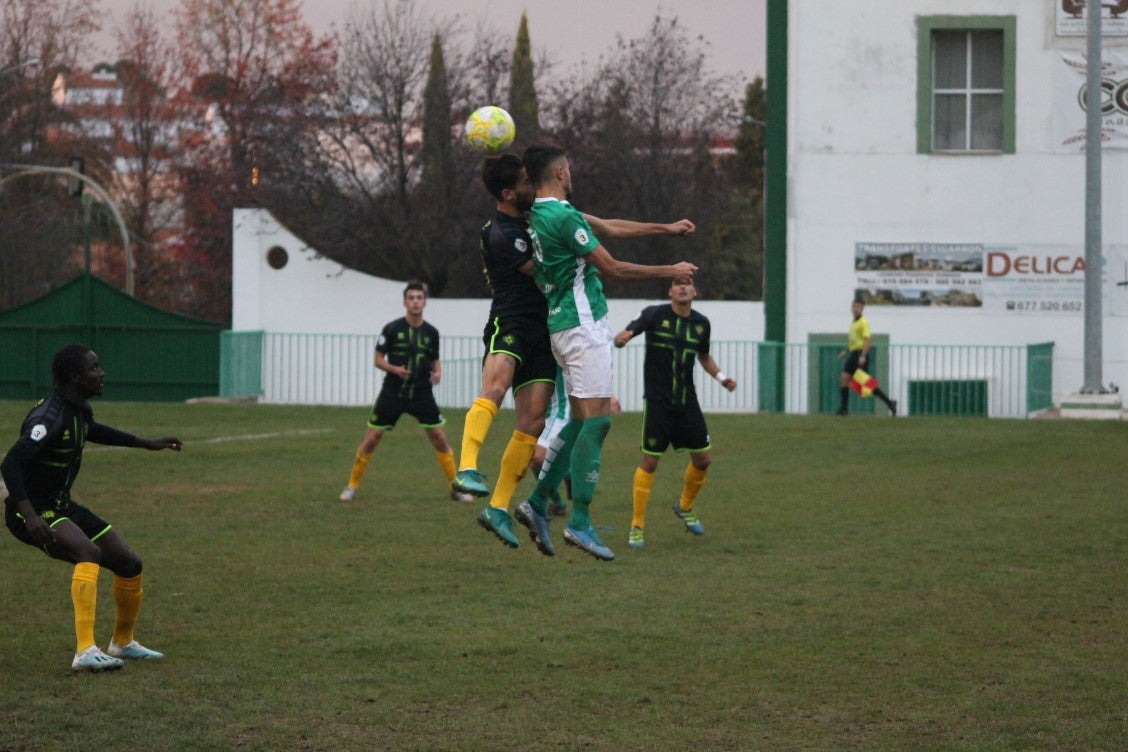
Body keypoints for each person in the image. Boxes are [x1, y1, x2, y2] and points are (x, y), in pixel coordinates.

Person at [457, 154, 694, 552]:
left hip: (554, 326)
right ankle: (573, 518)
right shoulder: (542, 222)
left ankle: (522, 504)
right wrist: (671, 270)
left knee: (562, 421)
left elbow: (608, 227)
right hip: (565, 322)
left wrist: (665, 228)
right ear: (561, 172)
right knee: (590, 420)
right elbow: (607, 265)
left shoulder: (541, 214)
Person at [1, 344, 182, 673]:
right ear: (74, 377)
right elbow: (11, 462)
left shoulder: (79, 410)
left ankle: (122, 643)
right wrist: (29, 516)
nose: (102, 373)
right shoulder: (48, 417)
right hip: (32, 512)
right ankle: (85, 650)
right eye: (94, 368)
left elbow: (94, 431)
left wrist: (146, 442)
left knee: (129, 563)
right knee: (88, 552)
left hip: (61, 505)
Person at [613, 280, 736, 549]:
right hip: (658, 403)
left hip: (686, 402)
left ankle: (684, 506)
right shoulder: (654, 314)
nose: (682, 288)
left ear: (694, 291)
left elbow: (704, 355)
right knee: (650, 463)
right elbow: (625, 334)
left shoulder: (701, 323)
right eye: (677, 284)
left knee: (703, 459)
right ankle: (636, 525)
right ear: (670, 291)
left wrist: (722, 377)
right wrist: (622, 339)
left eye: (688, 284)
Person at [339, 282, 471, 502]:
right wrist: (394, 369)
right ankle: (351, 486)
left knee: (439, 437)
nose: (416, 302)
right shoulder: (391, 329)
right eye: (411, 298)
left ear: (425, 302)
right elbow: (378, 359)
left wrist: (437, 372)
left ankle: (456, 489)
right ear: (405, 302)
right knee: (372, 439)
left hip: (421, 392)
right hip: (393, 392)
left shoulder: (432, 332)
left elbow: (434, 358)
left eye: (419, 297)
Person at [837, 297, 897, 416]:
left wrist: (863, 355)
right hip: (854, 353)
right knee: (844, 378)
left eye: (858, 307)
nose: (855, 309)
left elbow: (867, 339)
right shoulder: (854, 322)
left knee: (864, 384)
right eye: (854, 306)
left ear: (862, 308)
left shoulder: (864, 322)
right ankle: (843, 409)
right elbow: (854, 341)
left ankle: (890, 403)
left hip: (860, 354)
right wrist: (846, 351)